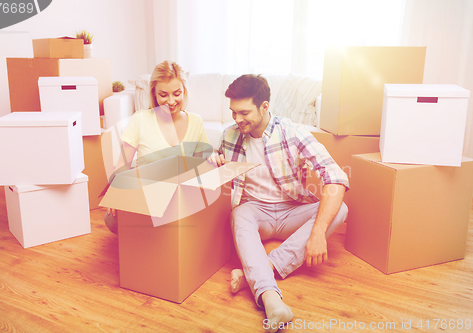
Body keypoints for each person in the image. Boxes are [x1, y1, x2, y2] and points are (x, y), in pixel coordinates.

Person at [209, 74, 349, 332]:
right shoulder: (229, 136)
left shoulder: (292, 132)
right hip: (255, 211)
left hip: (290, 210)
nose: (237, 119)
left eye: (243, 112)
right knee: (239, 215)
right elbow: (215, 167)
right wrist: (215, 161)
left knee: (340, 209)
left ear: (264, 106)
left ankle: (262, 268)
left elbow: (335, 176)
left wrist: (318, 233)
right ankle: (271, 300)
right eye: (233, 112)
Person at [104, 61, 211, 233]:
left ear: (184, 91)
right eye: (163, 95)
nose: (170, 101)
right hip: (148, 195)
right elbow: (123, 164)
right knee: (112, 220)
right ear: (154, 93)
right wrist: (115, 193)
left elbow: (204, 163)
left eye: (177, 94)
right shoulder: (140, 119)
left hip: (182, 197)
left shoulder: (196, 121)